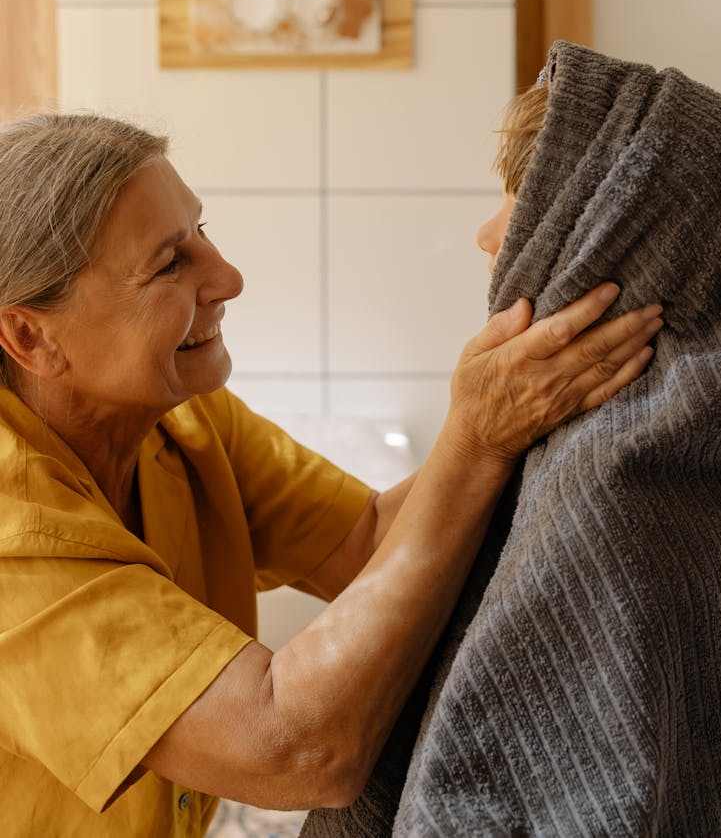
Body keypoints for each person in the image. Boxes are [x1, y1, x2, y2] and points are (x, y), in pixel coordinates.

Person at [0, 111, 662, 837]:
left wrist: (530, 408)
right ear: (29, 335)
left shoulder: (184, 420)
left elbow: (371, 541)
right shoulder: (12, 534)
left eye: (201, 231)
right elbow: (292, 750)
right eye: (168, 263)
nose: (228, 276)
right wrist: (478, 434)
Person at [300, 40, 721, 838]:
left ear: (607, 235)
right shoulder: (705, 450)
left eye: (522, 198)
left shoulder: (611, 496)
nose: (486, 233)